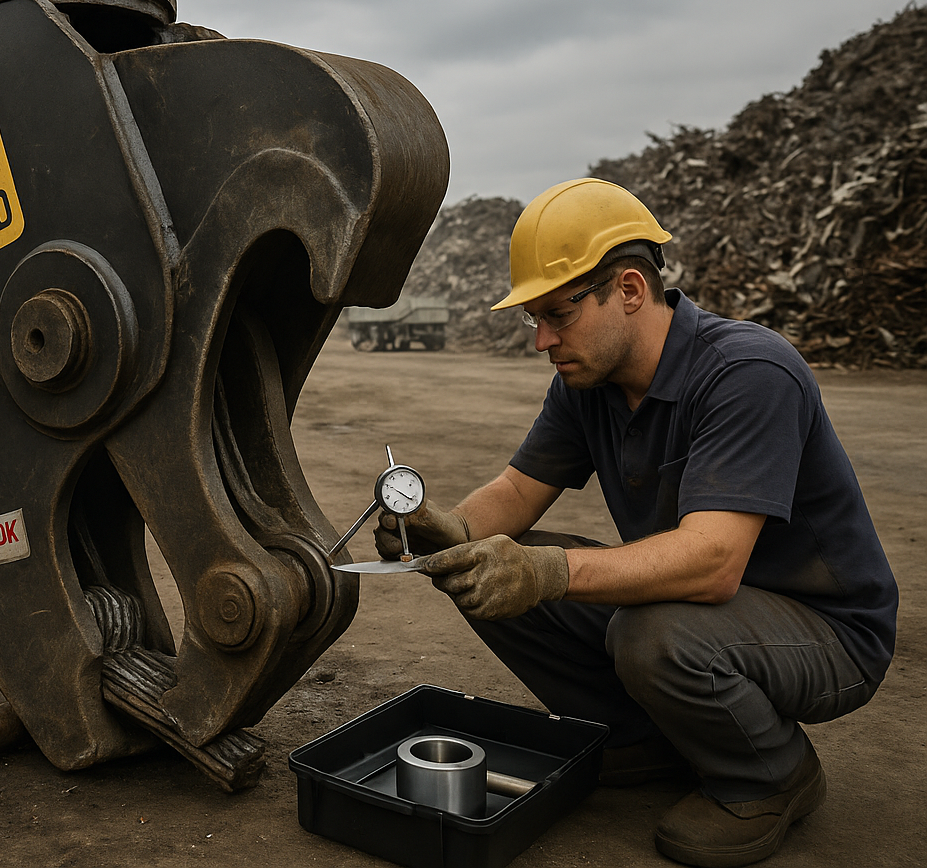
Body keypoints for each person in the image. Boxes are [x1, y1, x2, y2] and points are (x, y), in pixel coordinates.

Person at [376, 178, 897, 867]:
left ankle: (771, 775)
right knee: (489, 565)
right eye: (533, 318)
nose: (541, 339)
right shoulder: (587, 384)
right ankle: (646, 740)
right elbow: (516, 489)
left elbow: (712, 563)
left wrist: (548, 573)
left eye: (556, 314)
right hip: (711, 613)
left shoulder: (748, 372)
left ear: (628, 289)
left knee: (649, 631)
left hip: (827, 634)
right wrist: (450, 528)